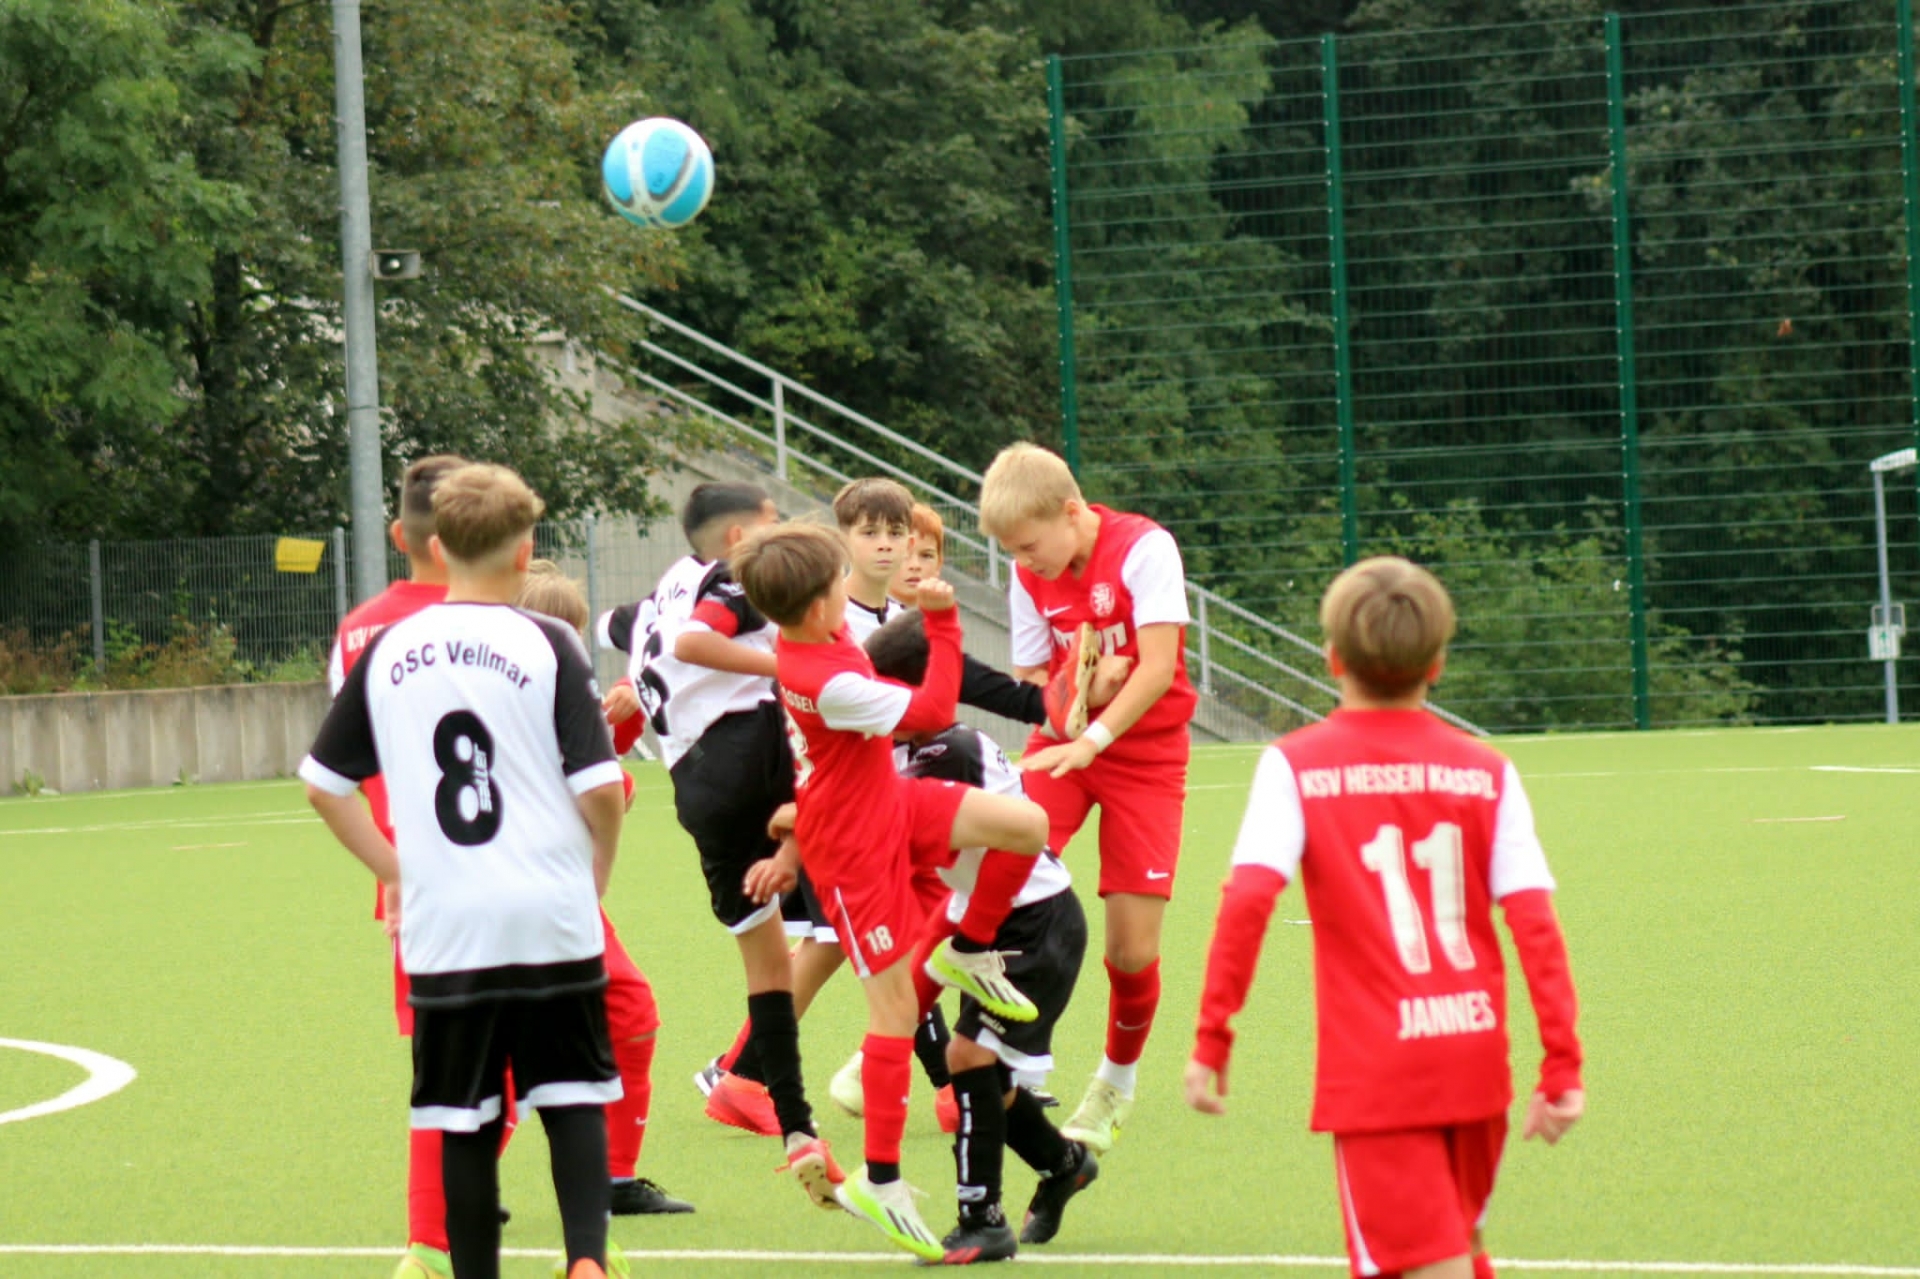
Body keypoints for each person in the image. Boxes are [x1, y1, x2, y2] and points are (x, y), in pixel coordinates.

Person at [1185, 557, 1585, 1279]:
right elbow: (1535, 922)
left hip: (1379, 1075)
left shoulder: (1295, 766)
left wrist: (1214, 1034)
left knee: (1429, 1263)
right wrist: (1561, 1059)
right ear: (1437, 665)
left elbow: (1247, 901)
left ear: (1333, 659)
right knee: (1456, 1246)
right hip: (1473, 1059)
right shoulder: (1488, 772)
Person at [302, 463, 631, 1279]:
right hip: (550, 911)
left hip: (449, 924)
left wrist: (398, 870)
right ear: (526, 551)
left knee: (464, 1118)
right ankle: (586, 1261)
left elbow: (324, 784)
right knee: (572, 1095)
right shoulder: (548, 641)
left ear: (438, 547)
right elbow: (600, 788)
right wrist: (597, 866)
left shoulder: (387, 648)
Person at [730, 522, 1050, 1261]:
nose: (849, 588)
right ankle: (881, 1181)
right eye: (838, 580)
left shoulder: (822, 636)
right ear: (819, 604)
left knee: (1026, 826)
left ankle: (967, 947)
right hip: (853, 851)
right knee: (896, 1010)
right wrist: (943, 621)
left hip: (890, 804)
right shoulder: (828, 680)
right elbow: (933, 712)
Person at [609, 481, 841, 1202]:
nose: (785, 532)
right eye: (774, 523)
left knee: (768, 959)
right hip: (746, 749)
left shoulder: (662, 590)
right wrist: (790, 664)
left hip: (695, 785)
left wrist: (631, 686)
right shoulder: (734, 581)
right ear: (740, 539)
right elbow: (692, 641)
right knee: (866, 899)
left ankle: (792, 1123)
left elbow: (621, 628)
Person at [978, 442, 1199, 1155]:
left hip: (1144, 757)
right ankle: (939, 1054)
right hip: (1063, 745)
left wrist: (1095, 734)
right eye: (1013, 550)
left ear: (1071, 512)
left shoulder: (1145, 548)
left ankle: (1114, 1083)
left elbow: (1158, 669)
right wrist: (1082, 690)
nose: (1024, 561)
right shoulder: (1029, 572)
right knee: (994, 873)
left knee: (1130, 951)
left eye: (1029, 545)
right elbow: (1031, 681)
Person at [862, 611, 1099, 1265]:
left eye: (883, 693)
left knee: (967, 1057)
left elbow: (905, 826)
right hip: (983, 916)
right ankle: (1063, 1164)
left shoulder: (951, 751)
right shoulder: (908, 748)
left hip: (1033, 918)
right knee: (988, 1075)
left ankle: (981, 1218)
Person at [513, 563, 694, 1217]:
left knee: (628, 1015)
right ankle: (457, 1179)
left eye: (571, 631)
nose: (565, 645)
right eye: (552, 630)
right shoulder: (516, 708)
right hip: (534, 896)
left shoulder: (549, 697)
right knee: (507, 1037)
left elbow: (602, 747)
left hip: (563, 897)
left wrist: (623, 706)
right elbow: (596, 784)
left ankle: (614, 1179)